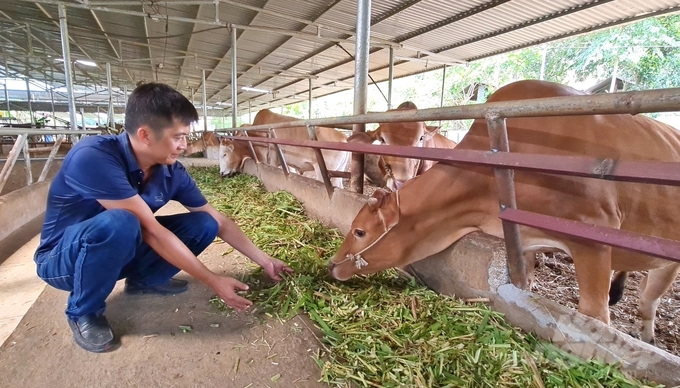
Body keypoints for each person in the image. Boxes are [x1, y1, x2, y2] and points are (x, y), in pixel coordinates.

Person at [33, 82, 293, 353]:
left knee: (205, 223)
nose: (184, 145)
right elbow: (152, 231)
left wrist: (265, 260)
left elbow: (220, 221)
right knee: (121, 222)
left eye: (186, 137)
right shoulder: (94, 156)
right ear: (145, 135)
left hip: (121, 250)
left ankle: (144, 281)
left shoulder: (171, 171)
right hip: (64, 261)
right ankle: (82, 311)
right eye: (178, 137)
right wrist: (213, 280)